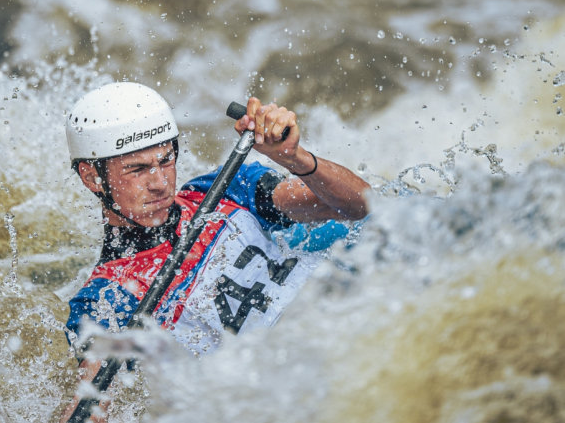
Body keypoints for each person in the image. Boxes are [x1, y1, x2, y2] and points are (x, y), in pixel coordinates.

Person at [59, 82, 370, 421]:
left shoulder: (226, 189)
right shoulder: (108, 295)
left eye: (166, 160)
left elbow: (361, 206)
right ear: (92, 178)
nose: (160, 182)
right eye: (138, 169)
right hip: (300, 391)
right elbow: (91, 399)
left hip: (358, 315)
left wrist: (295, 158)